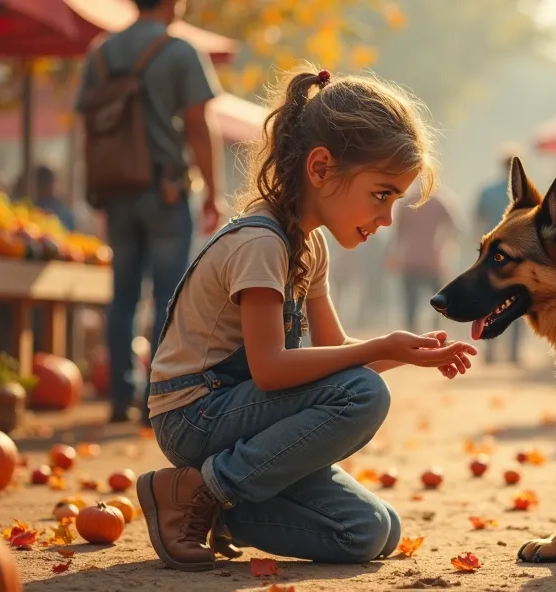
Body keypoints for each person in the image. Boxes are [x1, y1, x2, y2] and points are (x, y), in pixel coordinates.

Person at [136, 66, 478, 572]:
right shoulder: (260, 243)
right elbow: (274, 370)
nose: (386, 219)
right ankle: (195, 489)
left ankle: (218, 511)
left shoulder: (308, 244)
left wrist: (404, 354)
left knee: (372, 531)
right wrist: (378, 347)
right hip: (195, 416)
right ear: (320, 168)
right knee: (365, 393)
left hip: (241, 420)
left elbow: (333, 353)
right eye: (381, 195)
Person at [74, 0, 225, 425]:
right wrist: (214, 191)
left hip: (116, 189)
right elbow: (197, 124)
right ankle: (157, 398)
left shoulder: (101, 51)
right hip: (167, 191)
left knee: (121, 296)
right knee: (168, 297)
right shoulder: (179, 51)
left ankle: (119, 395)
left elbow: (89, 123)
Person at [474, 147, 524, 365]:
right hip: (517, 256)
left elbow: (478, 220)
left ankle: (490, 350)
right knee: (519, 300)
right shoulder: (527, 196)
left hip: (491, 257)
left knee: (488, 301)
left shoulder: (487, 191)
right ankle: (513, 353)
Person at [389, 184, 459, 334]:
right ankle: (437, 334)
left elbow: (398, 233)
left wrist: (394, 255)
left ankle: (411, 336)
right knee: (439, 303)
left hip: (410, 259)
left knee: (411, 305)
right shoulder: (440, 200)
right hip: (433, 260)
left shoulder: (406, 201)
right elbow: (453, 226)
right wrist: (442, 244)